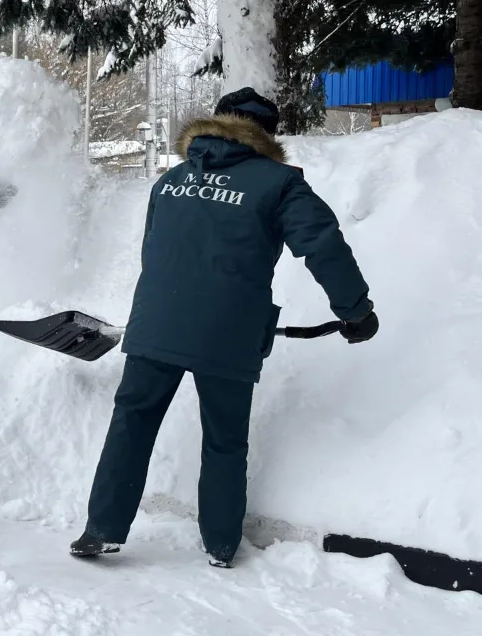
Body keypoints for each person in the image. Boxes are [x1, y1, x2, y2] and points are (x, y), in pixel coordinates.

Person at [69, 87, 379, 567]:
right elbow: (322, 244)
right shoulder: (279, 183)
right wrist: (355, 310)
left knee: (132, 423)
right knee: (224, 439)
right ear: (267, 134)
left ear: (217, 123)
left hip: (157, 324)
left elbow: (154, 252)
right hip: (228, 333)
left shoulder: (170, 180)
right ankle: (219, 544)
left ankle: (101, 529)